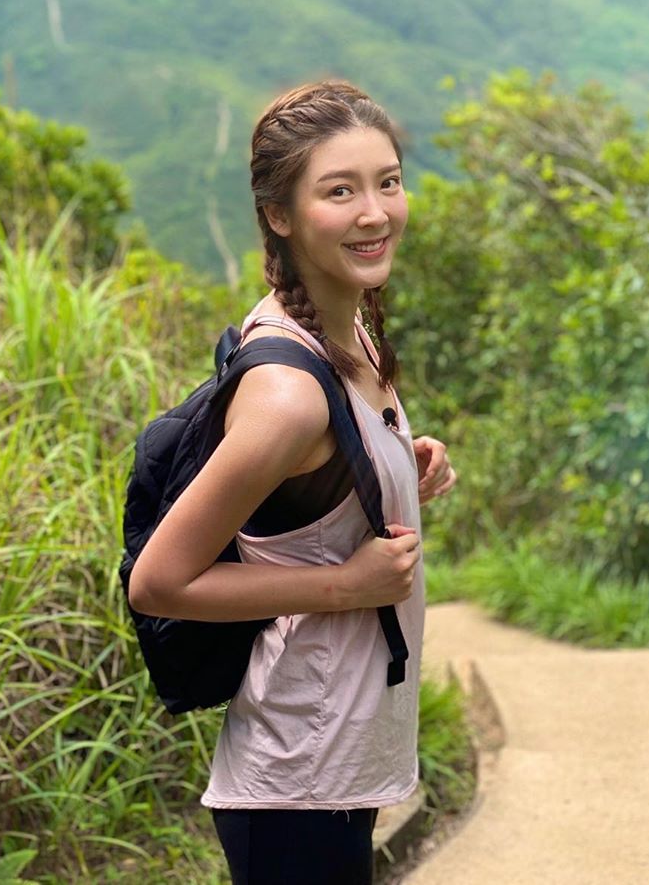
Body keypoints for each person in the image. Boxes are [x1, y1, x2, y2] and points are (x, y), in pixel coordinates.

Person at [128, 79, 457, 885]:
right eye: (338, 191)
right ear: (280, 214)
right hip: (299, 775)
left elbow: (301, 492)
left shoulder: (345, 334)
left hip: (338, 760)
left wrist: (389, 464)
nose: (375, 211)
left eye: (388, 181)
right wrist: (346, 584)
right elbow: (159, 583)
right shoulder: (287, 393)